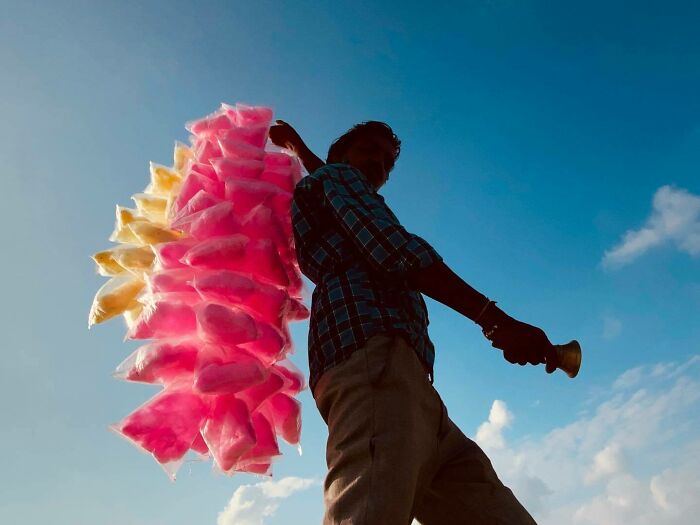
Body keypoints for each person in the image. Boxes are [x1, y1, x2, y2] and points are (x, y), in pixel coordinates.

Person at [269, 119, 556, 524]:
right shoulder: (338, 179)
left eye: (388, 162)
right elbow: (393, 249)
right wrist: (494, 320)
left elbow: (328, 175)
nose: (380, 164)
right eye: (370, 150)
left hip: (410, 383)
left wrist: (298, 147)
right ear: (341, 158)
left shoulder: (332, 182)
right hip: (372, 359)